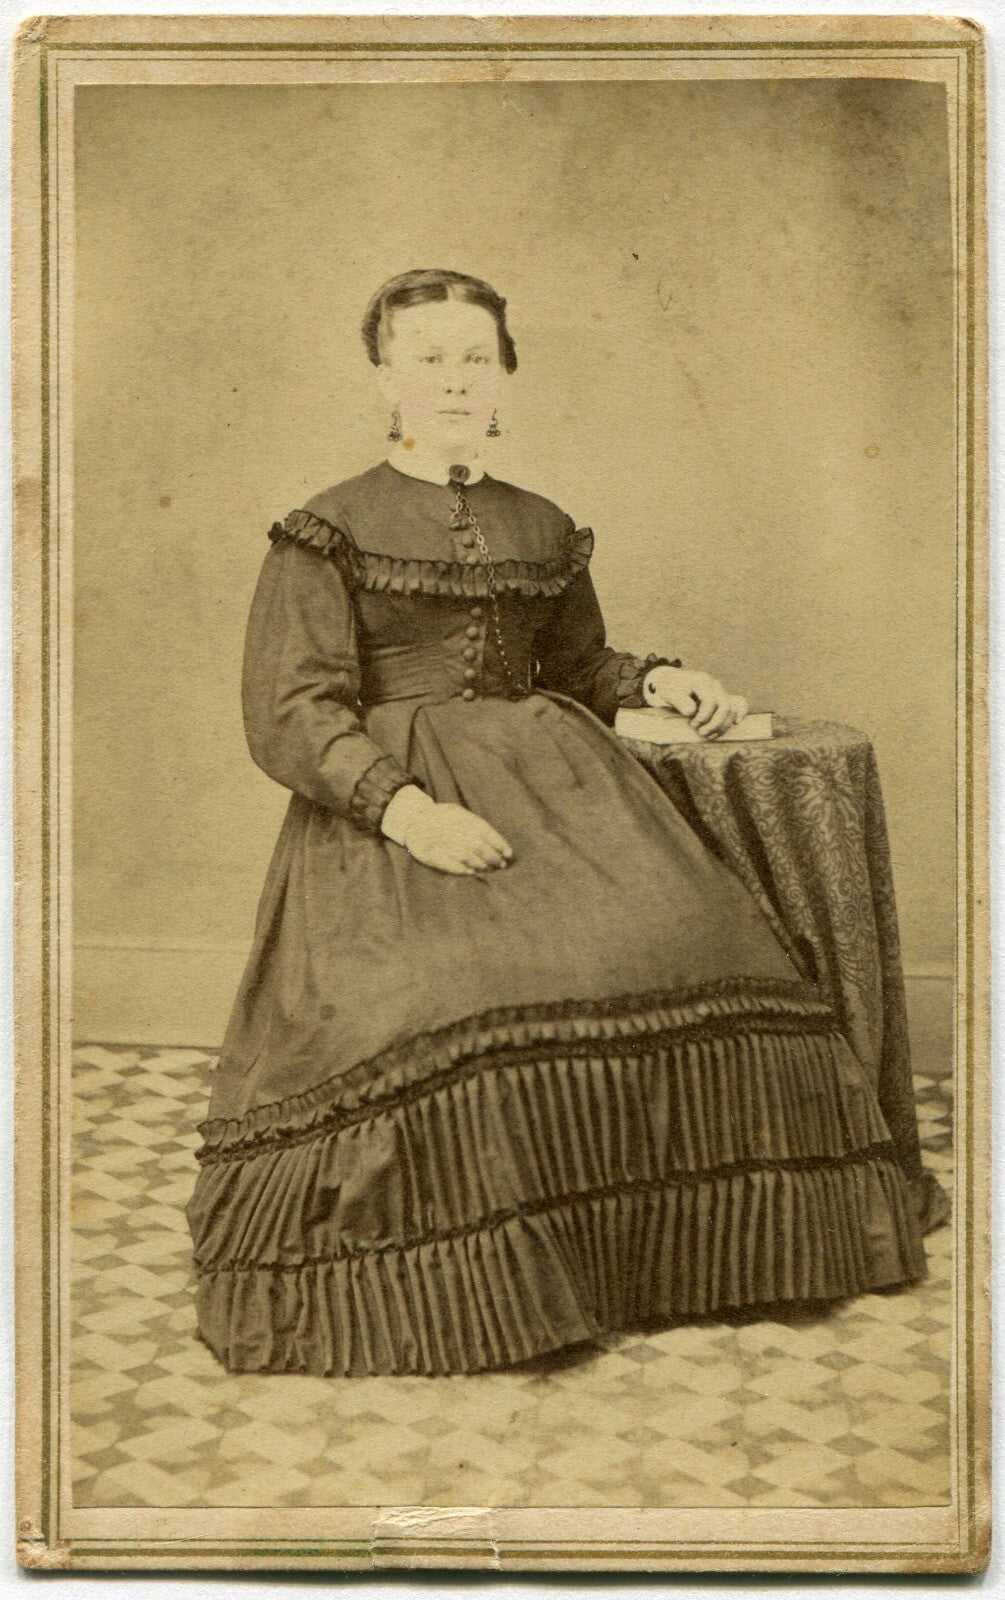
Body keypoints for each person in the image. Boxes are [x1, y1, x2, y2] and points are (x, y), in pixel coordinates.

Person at [186, 268, 928, 1377]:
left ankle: (653, 1265)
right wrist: (409, 814)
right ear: (384, 373)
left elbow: (576, 663)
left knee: (682, 941)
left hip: (561, 784)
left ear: (506, 374)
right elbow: (291, 711)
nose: (452, 378)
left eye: (473, 356)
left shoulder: (541, 523)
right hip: (392, 811)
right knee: (446, 996)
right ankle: (505, 1285)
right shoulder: (326, 528)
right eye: (427, 355)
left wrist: (665, 679)